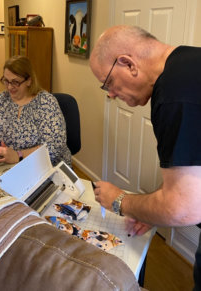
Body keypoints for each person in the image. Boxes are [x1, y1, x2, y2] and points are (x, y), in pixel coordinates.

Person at [89, 25, 201, 290]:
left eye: (109, 83)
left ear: (128, 64)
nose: (110, 94)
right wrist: (151, 212)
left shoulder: (174, 95)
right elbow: (189, 173)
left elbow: (184, 208)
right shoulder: (188, 62)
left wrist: (119, 201)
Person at [0, 55, 71, 167]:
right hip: (7, 165)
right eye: (6, 81)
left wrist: (18, 155)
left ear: (29, 81)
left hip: (44, 167)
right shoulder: (1, 100)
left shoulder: (46, 103)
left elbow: (54, 147)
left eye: (15, 82)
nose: (10, 87)